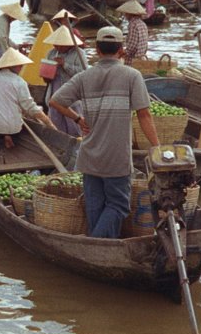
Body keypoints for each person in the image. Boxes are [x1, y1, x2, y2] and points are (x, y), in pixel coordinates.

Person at [49, 27, 159, 239]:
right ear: (122, 51)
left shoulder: (84, 76)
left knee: (95, 208)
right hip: (116, 157)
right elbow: (144, 115)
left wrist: (78, 119)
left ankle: (94, 246)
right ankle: (96, 244)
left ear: (97, 50)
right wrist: (156, 147)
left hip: (89, 155)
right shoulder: (132, 76)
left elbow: (54, 101)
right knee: (118, 206)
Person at [0, 48, 53, 151]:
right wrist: (47, 121)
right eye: (19, 65)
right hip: (14, 129)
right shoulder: (20, 82)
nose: (21, 68)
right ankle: (7, 136)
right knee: (13, 128)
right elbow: (29, 107)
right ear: (11, 66)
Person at [43, 26, 88, 135]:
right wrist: (47, 73)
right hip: (55, 88)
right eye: (55, 44)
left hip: (72, 91)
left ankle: (76, 145)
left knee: (74, 123)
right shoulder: (51, 53)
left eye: (59, 44)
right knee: (55, 121)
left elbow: (84, 73)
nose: (56, 46)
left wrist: (64, 65)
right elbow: (46, 78)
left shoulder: (79, 53)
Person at [119, 0, 149, 64]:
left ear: (129, 14)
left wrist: (123, 53)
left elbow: (132, 45)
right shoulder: (142, 23)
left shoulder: (133, 24)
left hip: (133, 59)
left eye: (125, 13)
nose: (125, 14)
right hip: (141, 56)